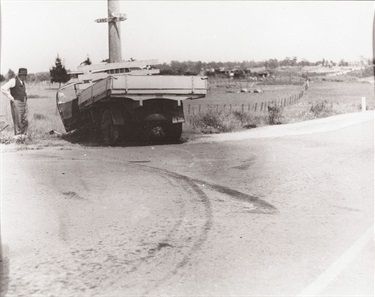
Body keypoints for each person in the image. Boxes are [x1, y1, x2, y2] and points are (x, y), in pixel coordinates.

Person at [1, 68, 28, 136]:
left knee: (24, 120)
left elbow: (24, 92)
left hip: (23, 102)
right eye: (24, 75)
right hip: (16, 102)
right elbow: (3, 88)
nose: (25, 77)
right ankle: (18, 137)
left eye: (25, 75)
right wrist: (11, 98)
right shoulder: (13, 81)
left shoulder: (23, 83)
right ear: (20, 75)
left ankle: (23, 136)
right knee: (17, 120)